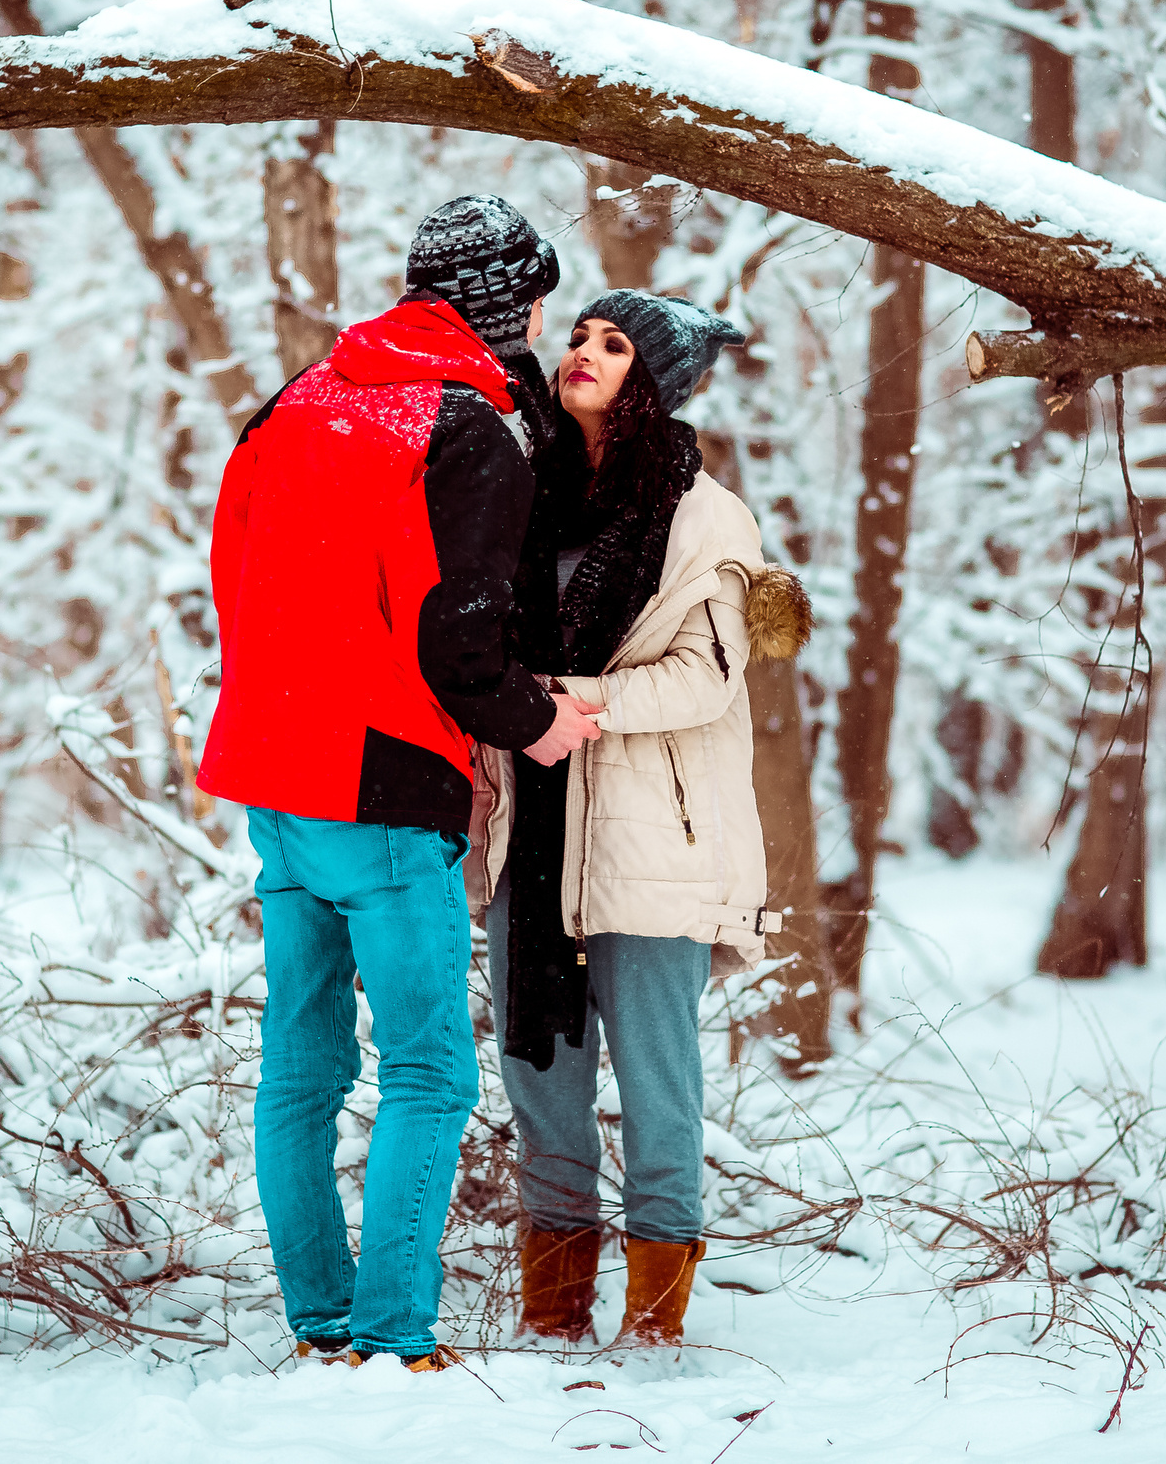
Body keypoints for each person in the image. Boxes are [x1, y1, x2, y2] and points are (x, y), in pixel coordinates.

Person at [199, 196, 605, 1372]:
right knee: (428, 1067)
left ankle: (321, 1322)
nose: (540, 319)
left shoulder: (294, 401)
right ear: (497, 301)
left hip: (270, 778)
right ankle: (392, 1334)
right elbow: (457, 644)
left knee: (304, 1064)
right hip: (380, 785)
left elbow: (238, 579)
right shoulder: (465, 428)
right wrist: (538, 722)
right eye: (534, 296)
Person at [466, 290, 812, 1353]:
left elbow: (703, 681)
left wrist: (565, 705)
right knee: (541, 1084)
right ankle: (553, 1314)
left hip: (650, 848)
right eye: (578, 336)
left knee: (658, 1084)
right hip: (533, 836)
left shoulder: (705, 516)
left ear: (651, 382)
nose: (583, 354)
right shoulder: (521, 494)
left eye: (613, 346)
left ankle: (657, 1328)